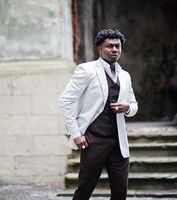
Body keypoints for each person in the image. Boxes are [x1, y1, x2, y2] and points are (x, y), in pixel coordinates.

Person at [59, 29, 138, 200]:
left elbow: (134, 105)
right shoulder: (86, 70)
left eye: (117, 46)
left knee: (120, 192)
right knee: (85, 189)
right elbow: (66, 101)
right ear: (99, 49)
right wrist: (76, 134)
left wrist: (127, 108)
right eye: (110, 46)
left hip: (119, 143)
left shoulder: (125, 76)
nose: (115, 49)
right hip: (93, 140)